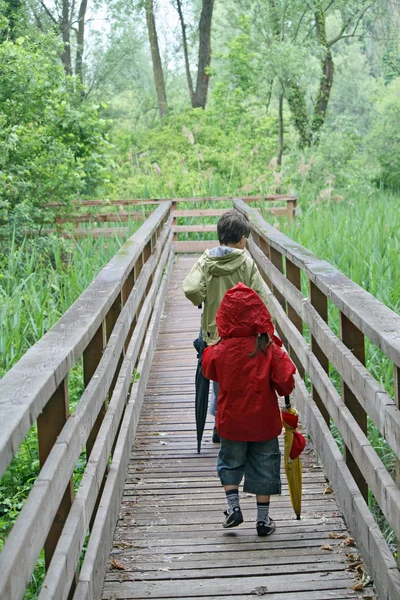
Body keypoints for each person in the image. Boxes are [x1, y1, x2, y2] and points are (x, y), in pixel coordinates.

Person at [202, 283, 296, 536]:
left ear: (223, 317)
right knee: (265, 466)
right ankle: (263, 521)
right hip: (264, 423)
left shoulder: (218, 351)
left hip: (231, 422)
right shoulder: (269, 350)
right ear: (260, 316)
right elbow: (286, 382)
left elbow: (208, 370)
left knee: (230, 463)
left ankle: (233, 508)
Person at [182, 209, 269, 442]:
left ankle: (220, 424)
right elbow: (261, 297)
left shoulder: (205, 260)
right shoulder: (246, 262)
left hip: (214, 334)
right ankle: (236, 423)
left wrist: (202, 296)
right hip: (242, 336)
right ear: (242, 239)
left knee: (219, 380)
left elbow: (191, 289)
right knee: (241, 379)